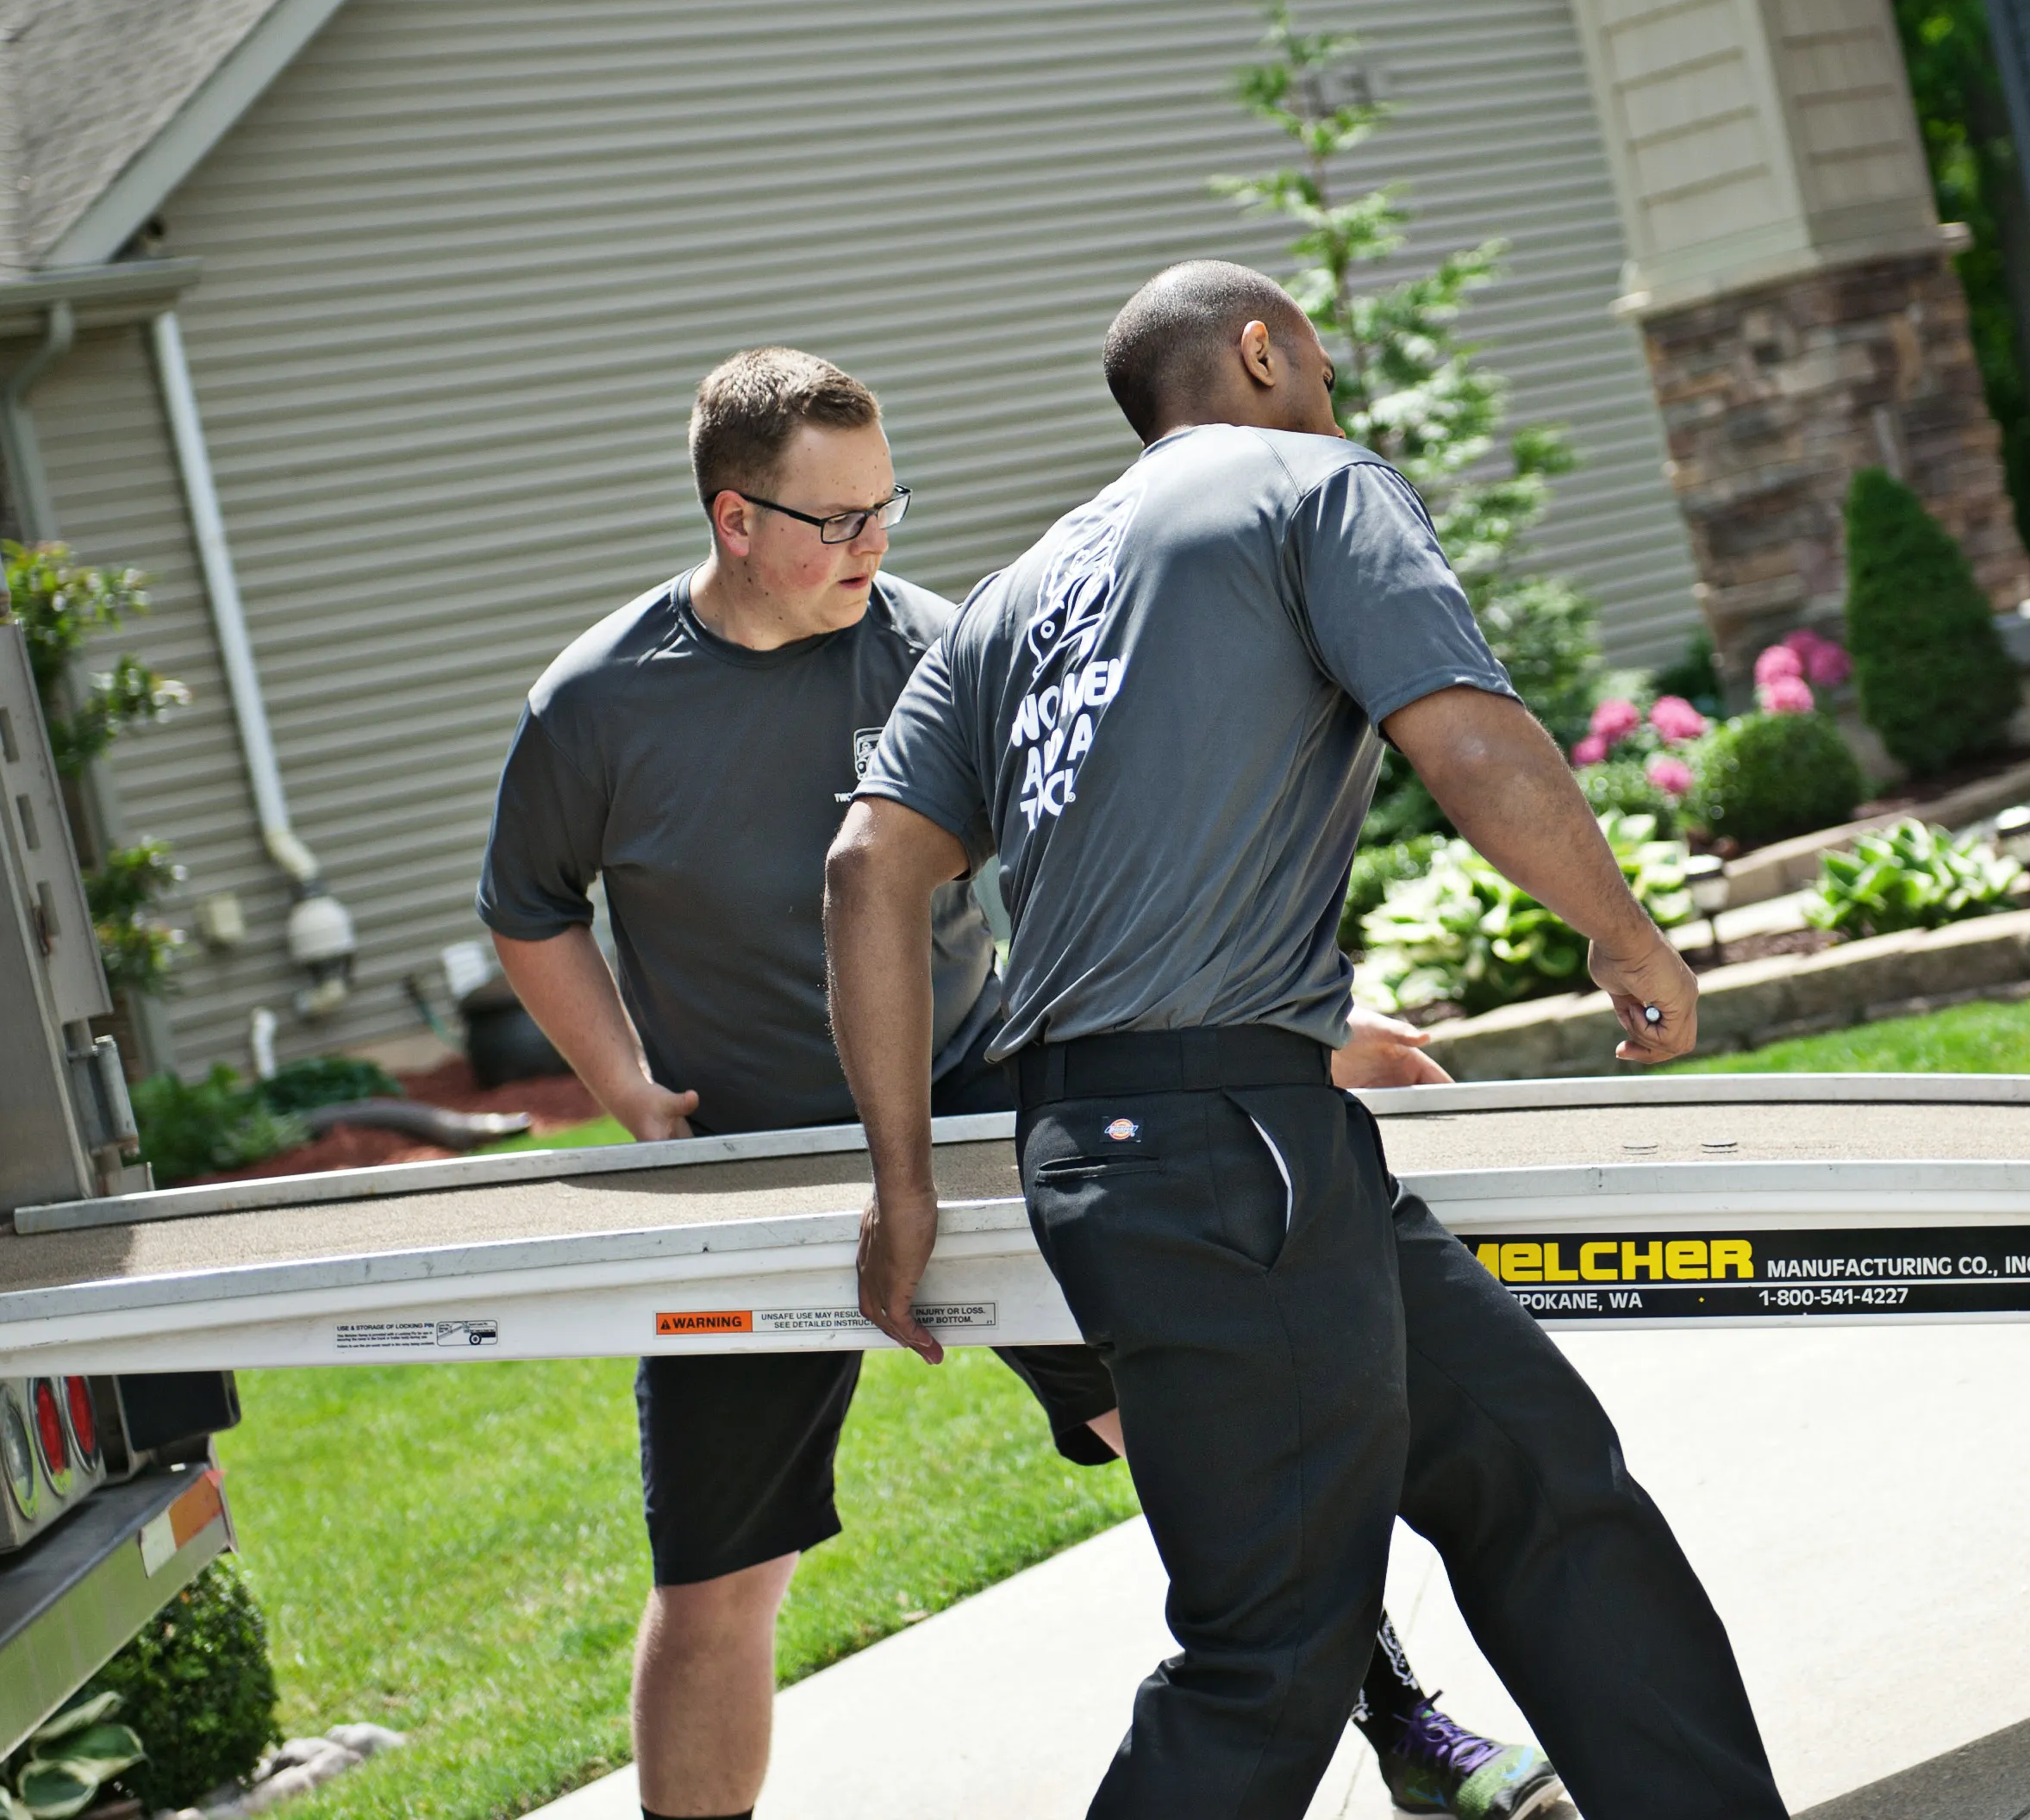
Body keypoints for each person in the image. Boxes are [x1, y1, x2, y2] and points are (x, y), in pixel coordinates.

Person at [474, 346, 1569, 1820]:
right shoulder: (597, 704)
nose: (872, 546)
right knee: (719, 1581)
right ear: (735, 521)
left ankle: (1398, 1723)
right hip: (754, 1171)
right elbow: (530, 908)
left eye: (886, 508)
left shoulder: (945, 645)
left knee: (1227, 1466)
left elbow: (1118, 867)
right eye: (832, 521)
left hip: (994, 1124)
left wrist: (1306, 1027)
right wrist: (627, 1085)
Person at [831, 268, 1787, 1820]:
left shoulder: (1016, 597)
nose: (1335, 390)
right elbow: (1467, 733)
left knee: (1540, 1476)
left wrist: (905, 1179)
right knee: (1273, 1640)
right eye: (1320, 358)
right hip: (1220, 1161)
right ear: (1264, 350)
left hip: (1190, 1140)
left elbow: (868, 868)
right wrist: (1623, 930)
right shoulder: (1312, 483)